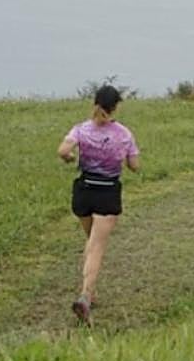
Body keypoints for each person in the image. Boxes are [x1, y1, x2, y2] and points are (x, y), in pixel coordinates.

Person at [57, 85, 140, 324]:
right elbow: (135, 166)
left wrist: (71, 157)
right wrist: (123, 159)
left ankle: (90, 293)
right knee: (97, 247)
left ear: (95, 103)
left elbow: (62, 150)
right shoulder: (123, 133)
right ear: (115, 107)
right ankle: (84, 296)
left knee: (91, 241)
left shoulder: (81, 129)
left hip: (83, 192)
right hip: (107, 193)